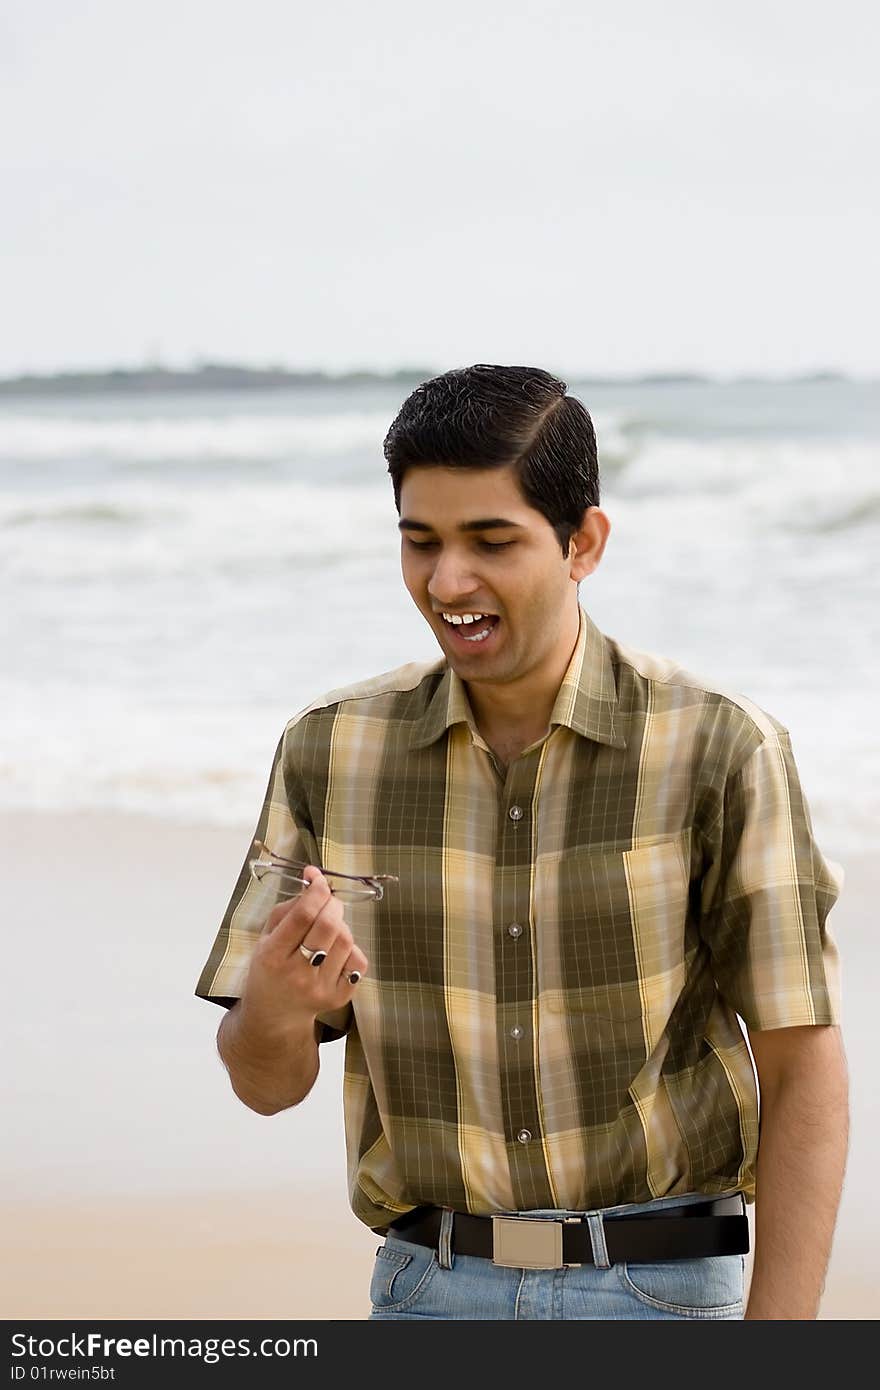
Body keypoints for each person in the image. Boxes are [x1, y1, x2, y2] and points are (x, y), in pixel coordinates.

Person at [195, 364, 848, 1321]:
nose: (447, 581)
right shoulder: (331, 751)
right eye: (421, 543)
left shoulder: (718, 746)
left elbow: (803, 1065)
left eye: (490, 541)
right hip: (425, 1290)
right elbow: (266, 1083)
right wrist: (274, 1010)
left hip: (658, 1294)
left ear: (583, 542)